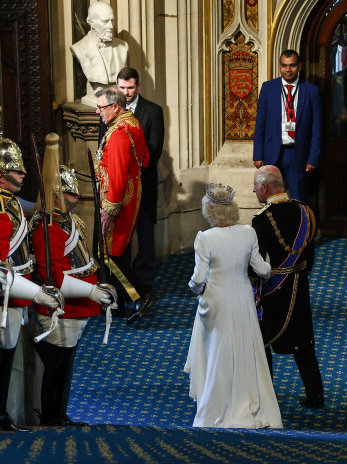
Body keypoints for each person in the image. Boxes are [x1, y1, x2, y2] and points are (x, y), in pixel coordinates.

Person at [0, 137, 58, 432]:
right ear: (0, 176)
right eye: (17, 171)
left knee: (6, 357)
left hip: (17, 287)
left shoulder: (10, 203)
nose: (23, 176)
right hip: (3, 292)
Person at [30, 136, 115, 426]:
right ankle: (51, 415)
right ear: (55, 195)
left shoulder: (68, 221)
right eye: (70, 196)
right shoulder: (49, 226)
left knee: (65, 368)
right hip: (60, 307)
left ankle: (59, 413)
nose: (75, 200)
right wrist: (91, 290)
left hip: (75, 307)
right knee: (55, 367)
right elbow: (55, 274)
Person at [184, 183, 282, 429]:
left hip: (215, 302)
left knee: (218, 352)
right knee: (245, 349)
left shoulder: (205, 238)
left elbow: (197, 280)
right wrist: (269, 269)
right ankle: (249, 403)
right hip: (243, 300)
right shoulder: (248, 233)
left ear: (209, 210)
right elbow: (262, 269)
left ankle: (217, 408)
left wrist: (196, 290)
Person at [252, 165, 325, 409]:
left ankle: (266, 395)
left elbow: (258, 261)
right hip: (300, 286)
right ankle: (316, 395)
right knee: (304, 343)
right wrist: (299, 275)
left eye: (255, 186)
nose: (253, 190)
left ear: (265, 187)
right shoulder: (306, 212)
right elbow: (309, 256)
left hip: (273, 290)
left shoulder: (262, 219)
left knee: (263, 342)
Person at [100, 67, 165, 301]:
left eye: (130, 87)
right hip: (126, 189)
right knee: (120, 245)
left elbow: (151, 152)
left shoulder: (143, 117)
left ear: (137, 86)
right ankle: (127, 293)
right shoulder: (119, 117)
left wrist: (112, 205)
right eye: (122, 87)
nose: (126, 92)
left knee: (130, 242)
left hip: (131, 191)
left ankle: (139, 291)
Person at [94, 86, 152, 324]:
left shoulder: (118, 133)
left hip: (117, 200)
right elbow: (144, 159)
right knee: (116, 252)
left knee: (108, 254)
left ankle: (140, 295)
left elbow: (117, 175)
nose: (97, 112)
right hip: (131, 195)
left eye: (101, 107)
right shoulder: (133, 123)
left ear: (115, 107)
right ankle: (116, 304)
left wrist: (109, 209)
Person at [253, 49, 321, 202]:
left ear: (300, 66)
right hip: (272, 153)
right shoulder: (267, 88)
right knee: (272, 199)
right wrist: (258, 154)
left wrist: (313, 157)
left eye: (292, 65)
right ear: (279, 67)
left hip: (298, 154)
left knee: (298, 199)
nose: (288, 70)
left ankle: (299, 226)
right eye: (284, 66)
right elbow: (260, 124)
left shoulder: (311, 91)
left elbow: (317, 128)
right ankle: (273, 226)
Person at [70, 1, 128, 105]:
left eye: (112, 20)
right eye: (105, 21)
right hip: (94, 99)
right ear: (91, 22)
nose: (111, 26)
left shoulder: (123, 46)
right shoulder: (79, 48)